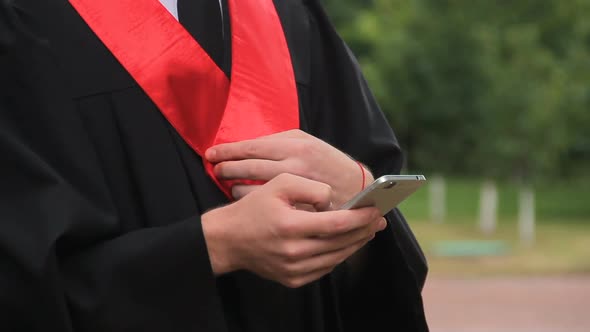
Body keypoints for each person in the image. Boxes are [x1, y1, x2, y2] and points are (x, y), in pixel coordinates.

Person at [0, 0, 429, 331]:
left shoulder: (285, 13)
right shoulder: (21, 20)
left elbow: (384, 273)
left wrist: (357, 196)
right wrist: (213, 248)